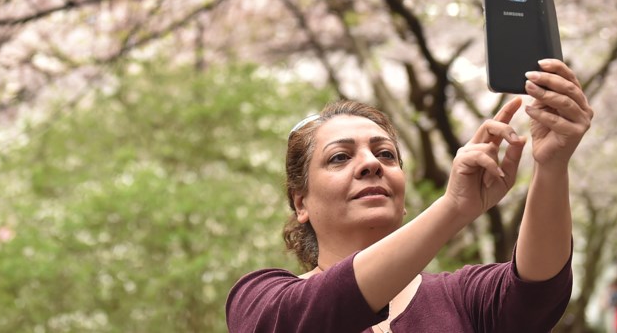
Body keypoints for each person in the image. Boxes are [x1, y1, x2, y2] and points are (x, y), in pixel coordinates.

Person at [226, 59, 594, 332]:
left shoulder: (462, 297)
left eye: (385, 154)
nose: (371, 164)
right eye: (340, 157)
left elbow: (538, 291)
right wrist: (452, 209)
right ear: (301, 202)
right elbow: (315, 312)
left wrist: (551, 164)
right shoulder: (259, 300)